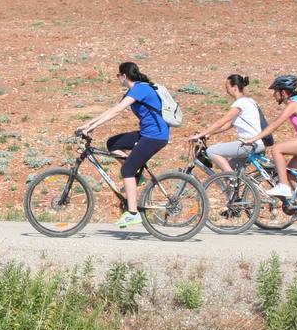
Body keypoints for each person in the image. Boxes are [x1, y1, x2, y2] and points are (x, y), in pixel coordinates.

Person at [78, 62, 170, 229]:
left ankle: (133, 214)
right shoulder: (133, 90)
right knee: (112, 143)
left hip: (155, 136)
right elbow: (112, 109)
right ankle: (135, 175)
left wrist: (92, 127)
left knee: (126, 170)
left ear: (124, 76)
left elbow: (118, 111)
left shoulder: (140, 89)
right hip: (146, 134)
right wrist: (88, 125)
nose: (117, 79)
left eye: (117, 76)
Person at [241, 74, 297, 199]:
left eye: (275, 91)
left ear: (283, 92)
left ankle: (283, 186)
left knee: (277, 149)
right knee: (291, 174)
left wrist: (253, 139)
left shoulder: (294, 105)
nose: (274, 95)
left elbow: (274, 125)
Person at [188, 74, 268, 172]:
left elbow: (221, 121)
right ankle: (238, 183)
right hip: (257, 143)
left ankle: (232, 179)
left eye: (227, 87)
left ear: (234, 88)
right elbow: (230, 124)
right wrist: (210, 133)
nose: (226, 90)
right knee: (231, 168)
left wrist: (200, 134)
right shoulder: (250, 101)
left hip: (250, 143)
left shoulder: (240, 103)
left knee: (212, 151)